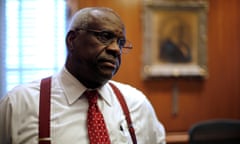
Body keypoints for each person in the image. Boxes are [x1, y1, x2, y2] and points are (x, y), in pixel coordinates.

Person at [0, 7, 165, 144]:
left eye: (121, 43)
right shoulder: (19, 103)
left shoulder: (136, 104)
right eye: (105, 37)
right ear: (72, 40)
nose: (115, 49)